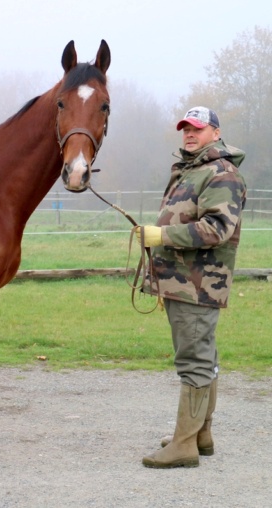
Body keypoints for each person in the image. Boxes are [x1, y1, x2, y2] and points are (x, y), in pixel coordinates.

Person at [135, 106, 247, 469]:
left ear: (215, 132)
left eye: (197, 128)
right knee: (205, 357)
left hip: (197, 286)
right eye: (185, 128)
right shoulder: (192, 170)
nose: (189, 133)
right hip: (181, 283)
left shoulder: (221, 174)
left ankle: (184, 444)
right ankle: (200, 434)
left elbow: (217, 228)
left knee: (195, 361)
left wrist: (161, 234)